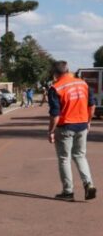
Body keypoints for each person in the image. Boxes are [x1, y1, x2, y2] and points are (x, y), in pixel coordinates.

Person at [47, 61, 96, 201]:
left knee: (64, 159)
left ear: (55, 74)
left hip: (65, 127)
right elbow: (91, 106)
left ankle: (68, 192)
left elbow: (55, 115)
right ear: (68, 70)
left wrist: (51, 131)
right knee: (80, 156)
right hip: (82, 125)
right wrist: (88, 122)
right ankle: (89, 184)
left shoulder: (56, 88)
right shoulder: (83, 84)